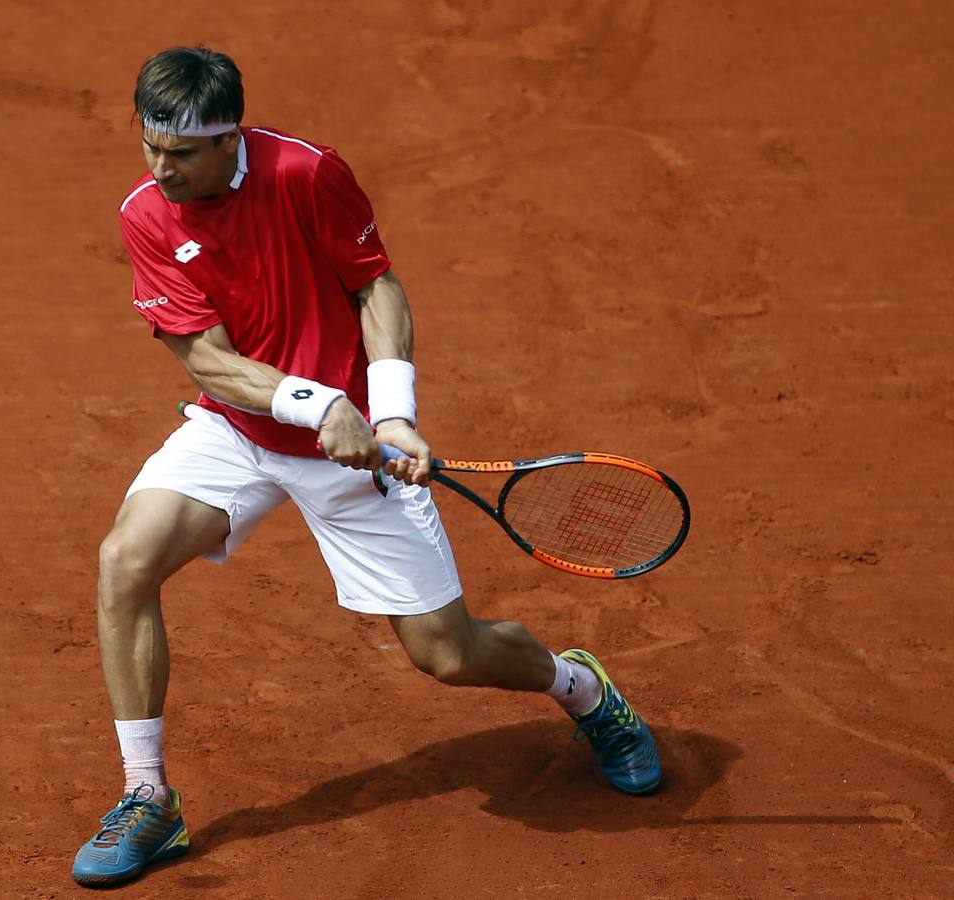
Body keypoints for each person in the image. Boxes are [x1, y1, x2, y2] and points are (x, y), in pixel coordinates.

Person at [71, 46, 661, 888]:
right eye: (149, 145)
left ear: (230, 139)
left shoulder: (309, 174)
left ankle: (582, 691)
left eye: (182, 153)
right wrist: (316, 405)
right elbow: (207, 360)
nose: (160, 167)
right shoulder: (146, 214)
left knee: (448, 656)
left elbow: (374, 287)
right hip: (240, 432)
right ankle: (147, 797)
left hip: (359, 453)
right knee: (124, 562)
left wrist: (390, 413)